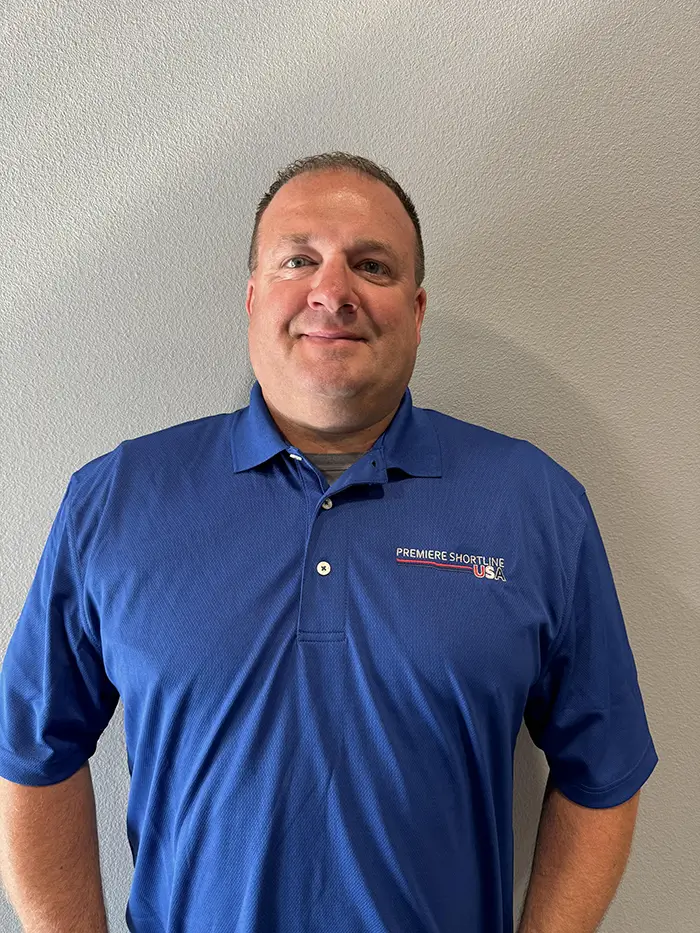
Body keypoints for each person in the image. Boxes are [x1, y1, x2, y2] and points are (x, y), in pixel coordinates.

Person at [0, 152, 658, 933]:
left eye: (371, 266)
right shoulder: (117, 498)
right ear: (253, 297)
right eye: (298, 260)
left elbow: (604, 770)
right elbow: (31, 752)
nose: (333, 291)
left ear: (416, 310)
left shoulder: (535, 503)